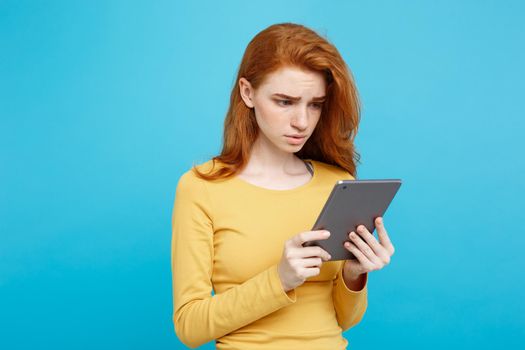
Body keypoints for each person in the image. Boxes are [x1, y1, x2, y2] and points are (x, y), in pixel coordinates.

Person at [171, 22, 395, 349]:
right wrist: (279, 279)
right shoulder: (202, 187)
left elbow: (345, 319)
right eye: (284, 101)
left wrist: (354, 273)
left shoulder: (338, 183)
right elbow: (189, 327)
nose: (302, 121)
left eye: (315, 104)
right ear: (248, 93)